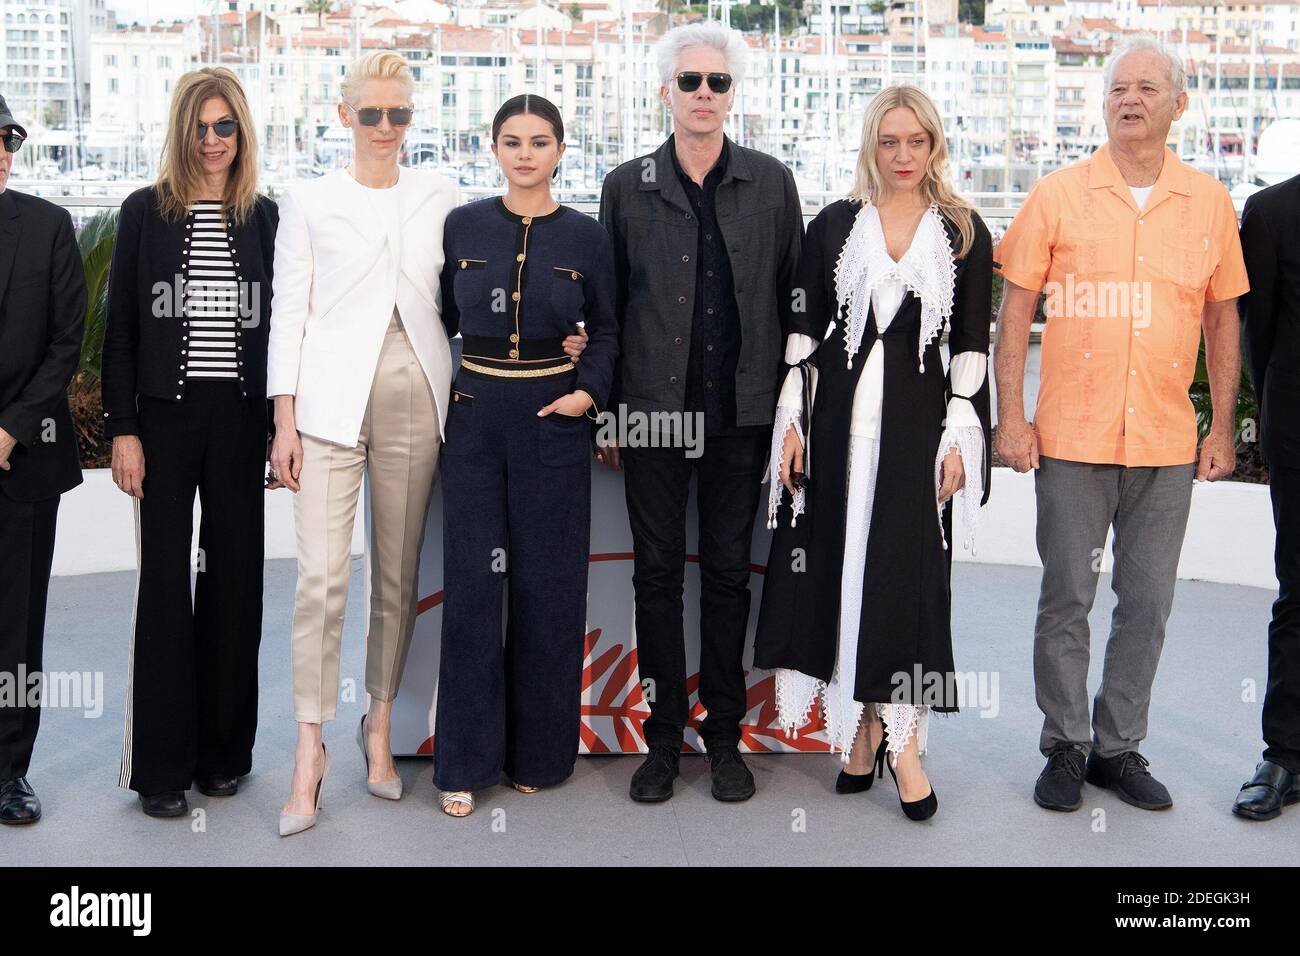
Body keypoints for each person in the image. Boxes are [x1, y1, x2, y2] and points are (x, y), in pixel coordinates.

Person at [267, 53, 587, 835]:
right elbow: (288, 312)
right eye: (371, 114)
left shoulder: (443, 196)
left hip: (422, 390)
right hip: (328, 406)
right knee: (319, 584)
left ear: (413, 120)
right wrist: (282, 419)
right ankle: (309, 752)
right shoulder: (306, 200)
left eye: (399, 114)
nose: (386, 128)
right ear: (344, 117)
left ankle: (377, 731)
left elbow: (479, 294)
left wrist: (570, 340)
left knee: (396, 577)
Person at [994, 35, 1249, 813]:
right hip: (1071, 434)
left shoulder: (1208, 202)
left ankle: (1120, 748)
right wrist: (1012, 416)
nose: (1129, 99)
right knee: (1067, 595)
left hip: (1169, 443)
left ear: (1179, 103)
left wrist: (1221, 428)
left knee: (1148, 603)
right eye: (1116, 89)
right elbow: (1015, 314)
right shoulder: (1057, 194)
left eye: (1145, 87)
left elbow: (1222, 320)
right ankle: (1065, 746)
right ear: (1102, 103)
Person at [754, 85, 992, 822]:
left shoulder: (963, 232)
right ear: (871, 145)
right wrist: (789, 423)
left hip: (919, 434)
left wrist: (962, 437)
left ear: (933, 145)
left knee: (908, 580)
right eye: (889, 142)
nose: (902, 156)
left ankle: (904, 742)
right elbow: (802, 341)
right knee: (842, 574)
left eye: (915, 141)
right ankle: (858, 731)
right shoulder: (833, 226)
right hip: (839, 431)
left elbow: (971, 346)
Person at [597, 21, 804, 803]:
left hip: (741, 417)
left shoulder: (772, 182)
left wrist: (793, 417)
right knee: (655, 579)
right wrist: (607, 415)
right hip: (650, 414)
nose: (705, 95)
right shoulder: (626, 186)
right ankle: (661, 743)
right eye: (691, 82)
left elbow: (795, 307)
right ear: (666, 93)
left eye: (718, 83)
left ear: (731, 94)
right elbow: (609, 311)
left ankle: (725, 741)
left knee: (726, 578)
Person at [432, 95, 618, 818]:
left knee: (549, 591)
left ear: (561, 150)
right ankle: (464, 764)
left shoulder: (588, 237)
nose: (525, 154)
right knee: (473, 594)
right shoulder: (463, 225)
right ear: (493, 147)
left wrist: (586, 393)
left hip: (552, 422)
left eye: (540, 142)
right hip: (475, 422)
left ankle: (541, 755)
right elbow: (437, 318)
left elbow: (608, 331)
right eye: (512, 141)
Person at [102, 68, 277, 819]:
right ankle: (161, 770)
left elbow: (285, 329)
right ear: (181, 133)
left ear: (243, 133)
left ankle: (223, 755)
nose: (212, 140)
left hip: (240, 422)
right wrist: (123, 431)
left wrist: (281, 428)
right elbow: (120, 336)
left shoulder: (264, 217)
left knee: (236, 585)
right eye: (200, 127)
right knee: (167, 588)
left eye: (225, 126)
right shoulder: (145, 212)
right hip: (164, 424)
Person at [0, 96, 87, 825]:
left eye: (9, 139)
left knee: (16, 628)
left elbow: (67, 340)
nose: (2, 150)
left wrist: (13, 428)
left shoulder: (50, 226)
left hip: (24, 463)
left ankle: (8, 773)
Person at [1235, 173, 1300, 820]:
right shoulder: (1273, 210)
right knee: (1299, 594)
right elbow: (1258, 332)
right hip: (1299, 434)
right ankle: (1285, 753)